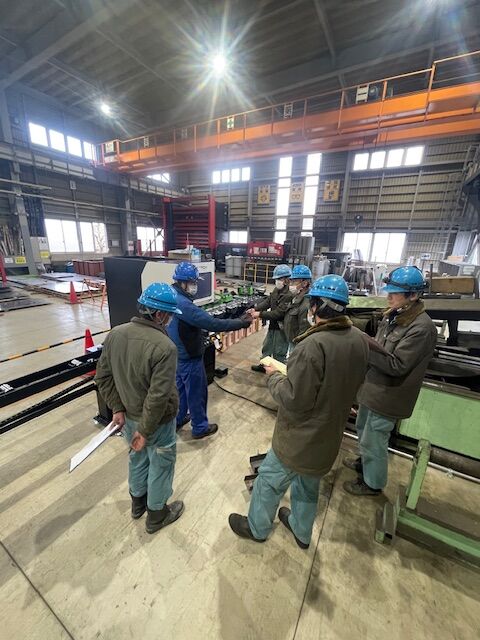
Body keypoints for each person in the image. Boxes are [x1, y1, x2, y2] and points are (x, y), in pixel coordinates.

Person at [229, 275, 369, 548]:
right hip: (329, 433)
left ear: (316, 306)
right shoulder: (358, 339)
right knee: (307, 484)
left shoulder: (312, 346)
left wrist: (273, 376)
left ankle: (256, 528)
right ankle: (301, 530)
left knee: (269, 480)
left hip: (300, 436)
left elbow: (293, 399)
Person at [95, 282, 184, 534]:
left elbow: (102, 377)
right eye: (169, 315)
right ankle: (157, 515)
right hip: (156, 423)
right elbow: (158, 397)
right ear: (159, 314)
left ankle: (138, 503)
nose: (170, 320)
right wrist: (145, 431)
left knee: (137, 459)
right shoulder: (165, 347)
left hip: (129, 417)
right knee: (161, 463)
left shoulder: (115, 334)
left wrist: (117, 409)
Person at [343, 266, 437, 496]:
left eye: (395, 292)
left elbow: (397, 365)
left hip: (388, 395)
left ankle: (372, 484)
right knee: (364, 431)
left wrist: (364, 349)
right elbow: (381, 346)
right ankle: (365, 463)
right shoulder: (393, 315)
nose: (389, 296)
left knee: (374, 441)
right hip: (373, 389)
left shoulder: (421, 328)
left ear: (413, 295)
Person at [167, 261, 252, 439]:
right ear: (183, 282)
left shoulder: (172, 295)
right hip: (189, 358)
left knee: (180, 390)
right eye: (193, 282)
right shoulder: (185, 305)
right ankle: (199, 428)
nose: (195, 286)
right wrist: (241, 323)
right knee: (197, 393)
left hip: (177, 355)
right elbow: (213, 323)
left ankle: (179, 418)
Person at [250, 264, 293, 372]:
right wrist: (255, 309)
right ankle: (264, 366)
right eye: (276, 279)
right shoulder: (276, 290)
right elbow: (268, 302)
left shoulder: (289, 295)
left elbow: (278, 314)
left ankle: (278, 373)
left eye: (279, 279)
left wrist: (260, 314)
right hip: (273, 325)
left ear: (287, 280)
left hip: (282, 328)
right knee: (267, 347)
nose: (277, 281)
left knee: (279, 351)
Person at [283, 264, 313, 353]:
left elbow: (304, 332)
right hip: (292, 340)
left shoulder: (306, 303)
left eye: (294, 281)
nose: (291, 284)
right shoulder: (296, 296)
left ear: (304, 283)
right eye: (291, 281)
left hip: (298, 345)